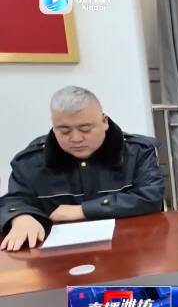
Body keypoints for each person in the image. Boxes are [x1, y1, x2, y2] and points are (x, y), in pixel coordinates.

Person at [0, 86, 164, 252]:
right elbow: (14, 200)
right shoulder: (31, 161)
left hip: (127, 248)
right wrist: (20, 216)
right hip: (57, 257)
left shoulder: (137, 152)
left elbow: (150, 196)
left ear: (104, 122)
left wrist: (83, 210)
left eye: (85, 129)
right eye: (64, 131)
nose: (76, 138)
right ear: (54, 127)